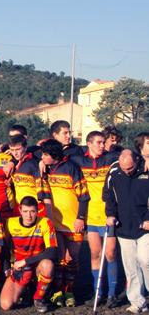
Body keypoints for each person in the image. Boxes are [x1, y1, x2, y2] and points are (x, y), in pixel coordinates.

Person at [70, 131, 119, 308]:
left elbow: (132, 155)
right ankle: (97, 291)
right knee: (95, 254)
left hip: (108, 216)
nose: (101, 145)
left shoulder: (111, 158)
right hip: (90, 217)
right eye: (98, 142)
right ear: (89, 144)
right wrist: (40, 161)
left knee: (111, 253)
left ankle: (112, 293)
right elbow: (55, 154)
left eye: (103, 142)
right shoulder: (78, 160)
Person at [41, 139, 90, 307]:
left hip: (73, 222)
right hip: (55, 223)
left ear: (54, 155)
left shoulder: (71, 168)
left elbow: (84, 196)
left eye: (45, 155)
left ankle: (69, 291)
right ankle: (58, 292)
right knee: (59, 259)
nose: (42, 157)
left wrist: (80, 218)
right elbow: (29, 151)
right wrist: (41, 162)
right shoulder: (46, 169)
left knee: (72, 259)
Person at [104, 150, 149, 314]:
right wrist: (110, 214)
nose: (126, 172)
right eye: (124, 168)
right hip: (124, 226)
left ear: (136, 161)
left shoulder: (146, 169)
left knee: (145, 260)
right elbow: (108, 194)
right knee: (130, 267)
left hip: (145, 226)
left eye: (130, 169)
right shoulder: (114, 170)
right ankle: (138, 302)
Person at [0, 196, 57, 313]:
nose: (29, 216)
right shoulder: (10, 223)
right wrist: (6, 268)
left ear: (37, 211)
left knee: (48, 265)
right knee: (6, 304)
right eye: (25, 211)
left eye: (32, 211)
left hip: (37, 266)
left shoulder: (46, 222)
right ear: (20, 210)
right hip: (20, 269)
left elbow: (52, 251)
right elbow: (4, 248)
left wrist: (26, 261)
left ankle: (38, 298)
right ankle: (27, 289)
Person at [8, 134, 51, 217]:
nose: (15, 153)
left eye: (18, 149)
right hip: (19, 208)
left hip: (34, 210)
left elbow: (45, 192)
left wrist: (49, 217)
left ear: (25, 147)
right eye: (12, 150)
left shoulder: (34, 164)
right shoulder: (16, 164)